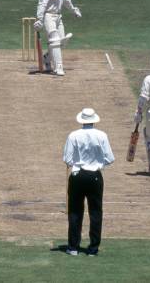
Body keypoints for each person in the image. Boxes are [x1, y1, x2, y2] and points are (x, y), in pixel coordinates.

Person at [63, 108, 115, 256]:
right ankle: (93, 249)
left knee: (74, 212)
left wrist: (76, 163)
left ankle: (73, 247)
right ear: (93, 120)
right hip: (95, 177)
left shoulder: (73, 135)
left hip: (77, 176)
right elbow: (110, 158)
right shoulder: (102, 135)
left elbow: (67, 158)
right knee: (96, 212)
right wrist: (99, 164)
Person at [33, 0, 81, 76]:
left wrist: (74, 10)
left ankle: (46, 58)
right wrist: (39, 19)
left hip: (58, 17)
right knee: (55, 40)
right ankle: (58, 67)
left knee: (62, 42)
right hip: (48, 16)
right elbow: (42, 4)